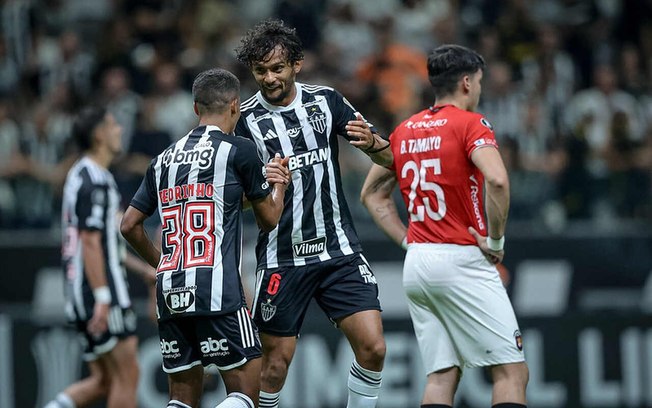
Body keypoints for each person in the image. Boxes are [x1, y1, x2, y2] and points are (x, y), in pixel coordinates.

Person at [360, 44, 529, 408]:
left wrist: (410, 242)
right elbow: (497, 180)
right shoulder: (471, 124)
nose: (480, 89)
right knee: (511, 372)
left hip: (419, 263)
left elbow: (372, 195)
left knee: (442, 374)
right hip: (461, 258)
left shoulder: (405, 129)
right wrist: (496, 240)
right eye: (479, 82)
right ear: (467, 83)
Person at [234, 19, 391, 408]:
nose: (269, 78)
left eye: (277, 68)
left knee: (373, 347)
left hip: (339, 250)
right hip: (281, 258)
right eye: (260, 71)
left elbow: (389, 156)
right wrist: (261, 188)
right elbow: (228, 200)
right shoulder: (244, 122)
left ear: (297, 65)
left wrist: (372, 143)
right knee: (274, 365)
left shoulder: (326, 101)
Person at [120, 68, 290, 408]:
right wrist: (279, 184)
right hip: (218, 291)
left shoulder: (162, 160)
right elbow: (269, 219)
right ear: (235, 106)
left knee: (181, 399)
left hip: (171, 292)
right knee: (245, 395)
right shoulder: (238, 150)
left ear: (196, 109)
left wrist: (162, 263)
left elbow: (128, 225)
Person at [46, 106, 144, 408]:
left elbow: (106, 243)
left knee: (103, 381)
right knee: (128, 376)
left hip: (79, 292)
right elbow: (89, 242)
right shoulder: (95, 181)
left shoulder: (82, 174)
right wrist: (103, 297)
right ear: (99, 134)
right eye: (113, 124)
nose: (119, 130)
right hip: (99, 293)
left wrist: (145, 270)